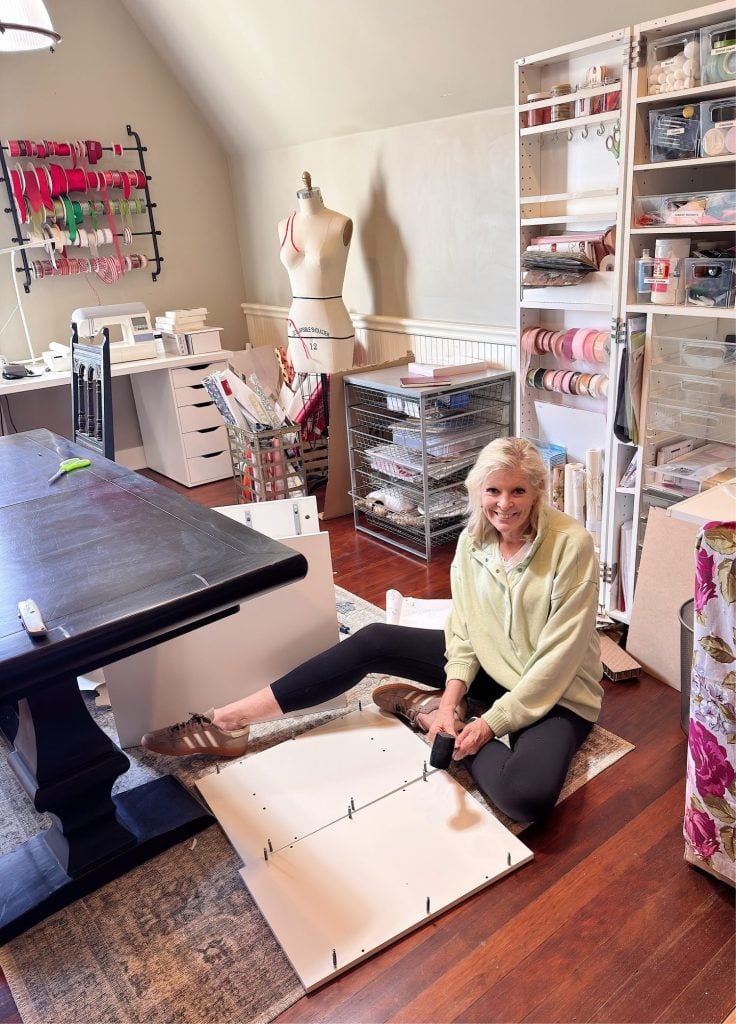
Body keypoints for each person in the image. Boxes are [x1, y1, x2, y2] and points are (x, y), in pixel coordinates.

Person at [142, 437, 603, 823]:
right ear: (477, 491)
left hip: (556, 692)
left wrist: (486, 724)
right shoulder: (471, 540)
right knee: (374, 639)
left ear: (539, 491)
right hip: (491, 668)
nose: (504, 504)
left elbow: (557, 660)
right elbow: (463, 630)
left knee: (525, 799)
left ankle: (434, 720)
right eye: (493, 491)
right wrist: (450, 696)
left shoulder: (571, 546)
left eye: (518, 491)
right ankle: (229, 721)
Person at [279, 171, 355, 375]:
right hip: (298, 320)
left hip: (330, 319)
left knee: (335, 394)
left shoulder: (339, 223)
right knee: (303, 396)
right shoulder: (284, 225)